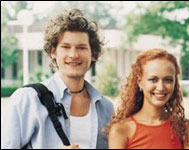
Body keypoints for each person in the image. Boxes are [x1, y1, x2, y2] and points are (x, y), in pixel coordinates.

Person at [1, 8, 114, 149]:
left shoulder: (106, 108)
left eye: (82, 48)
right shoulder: (27, 99)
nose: (73, 55)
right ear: (53, 52)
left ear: (94, 54)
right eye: (66, 47)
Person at [107, 49, 189, 149]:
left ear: (175, 83)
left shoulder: (185, 128)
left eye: (168, 80)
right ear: (140, 82)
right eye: (153, 79)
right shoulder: (121, 130)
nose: (161, 87)